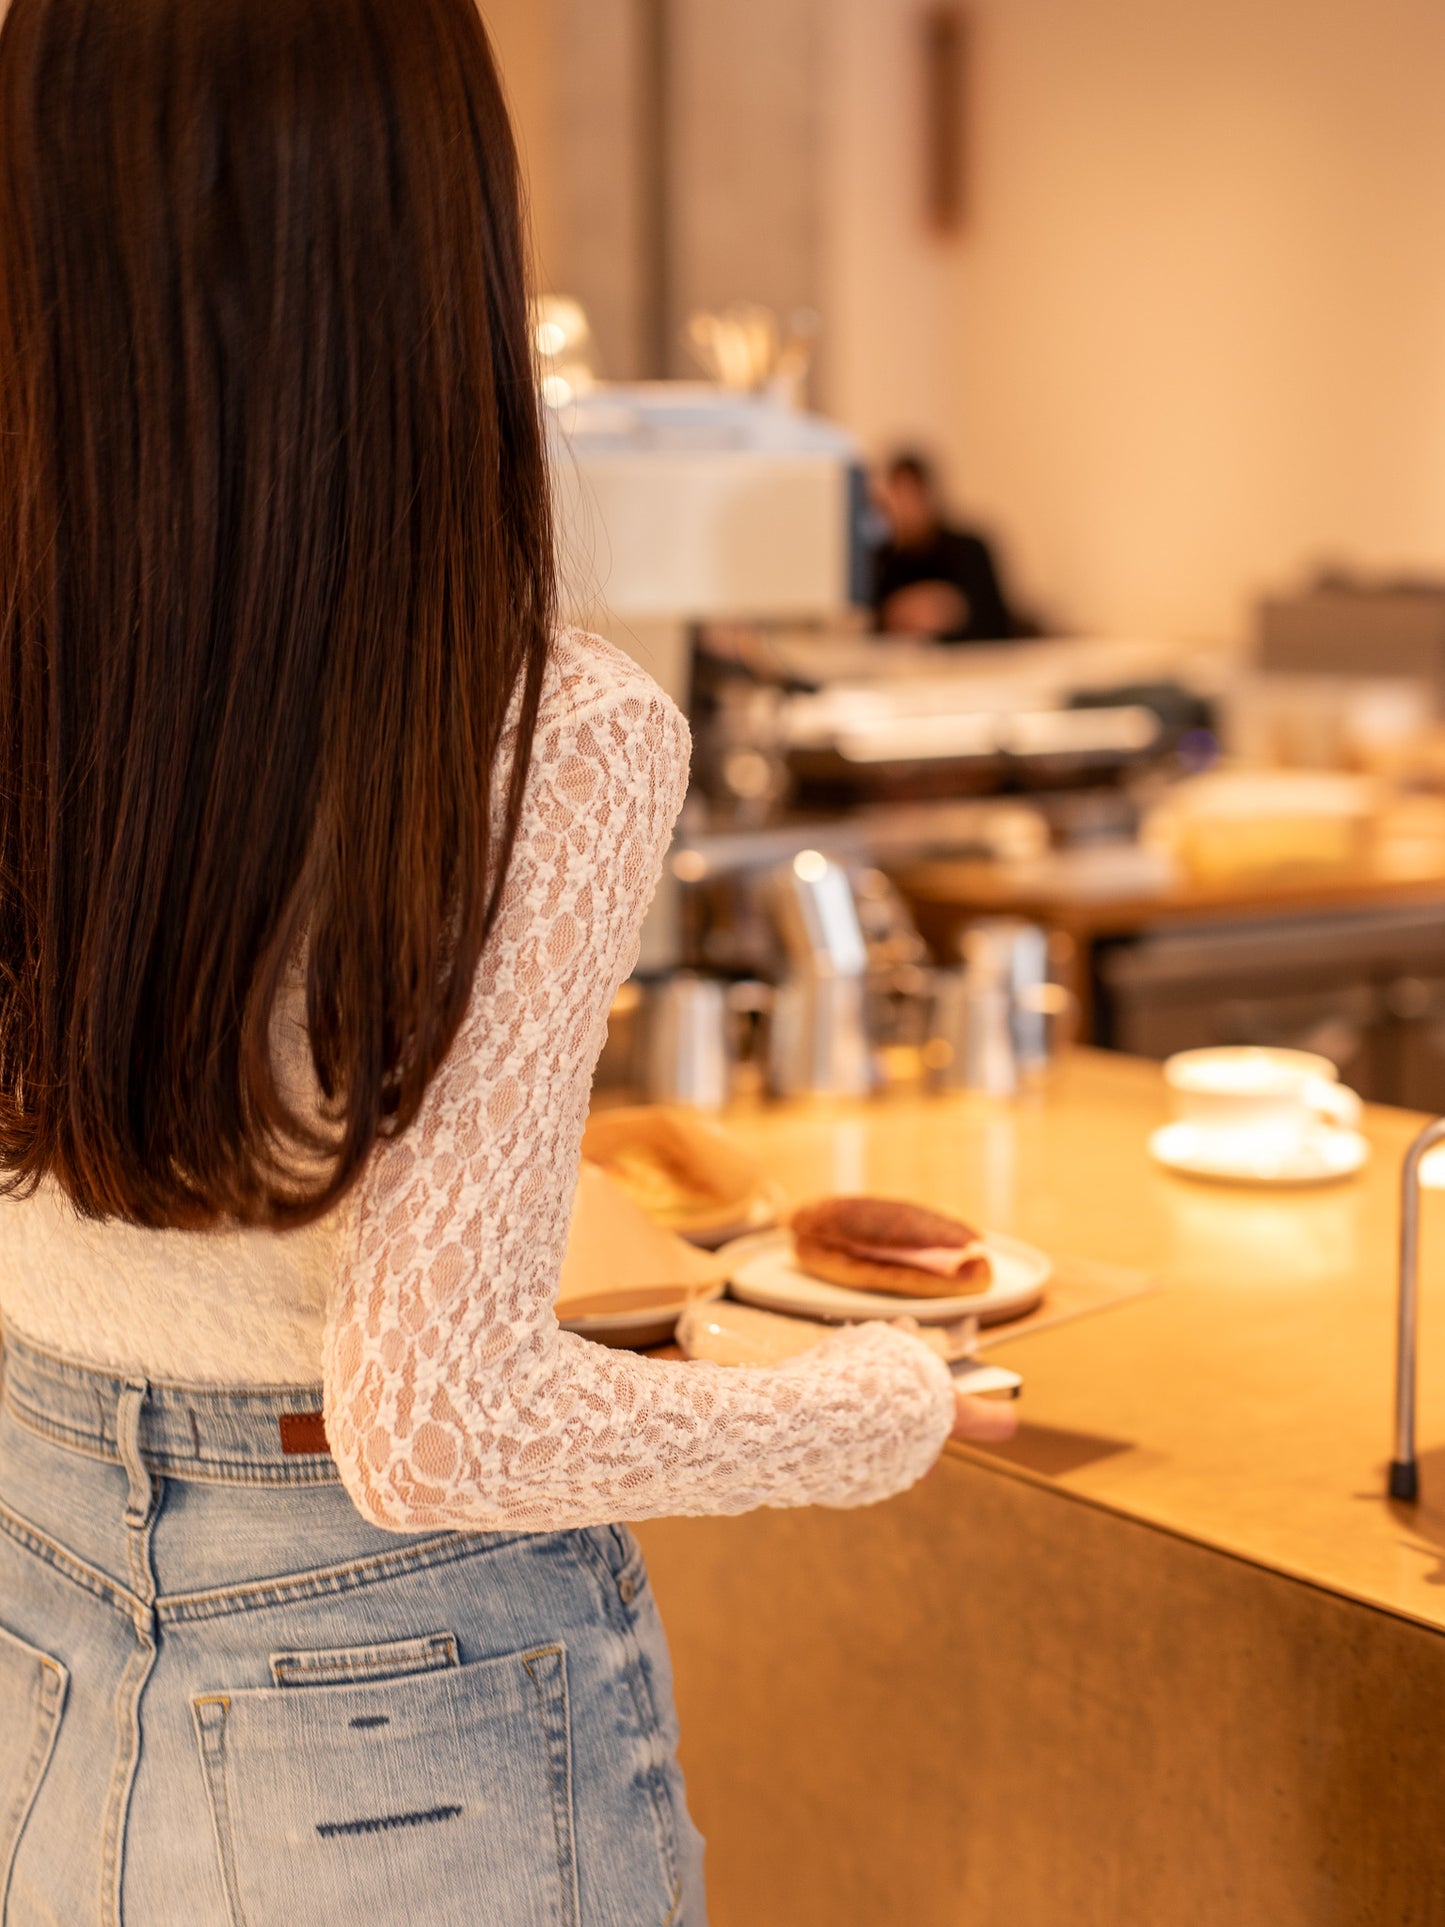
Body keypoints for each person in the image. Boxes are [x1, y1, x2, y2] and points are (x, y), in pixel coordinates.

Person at [0, 2, 1014, 1921]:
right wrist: (876, 1406)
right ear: (425, 235)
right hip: (390, 1712)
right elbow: (439, 1419)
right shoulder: (546, 736)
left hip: (32, 1613)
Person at [873, 451, 1020, 642]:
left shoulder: (968, 551)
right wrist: (894, 615)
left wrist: (953, 612)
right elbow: (870, 633)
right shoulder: (883, 561)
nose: (904, 507)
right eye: (898, 495)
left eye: (911, 494)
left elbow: (998, 626)